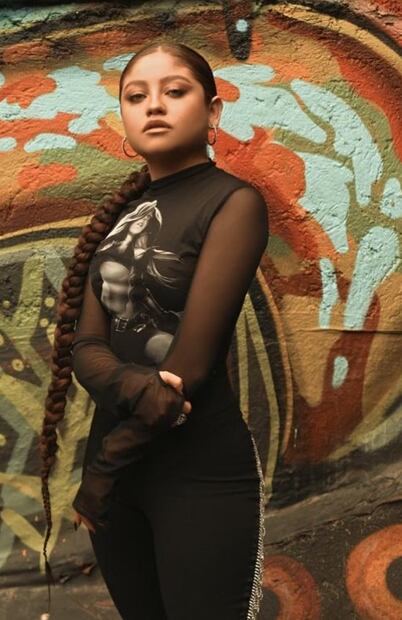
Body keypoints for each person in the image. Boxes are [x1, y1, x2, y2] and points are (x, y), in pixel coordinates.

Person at [39, 40, 269, 620]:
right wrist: (134, 402)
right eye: (136, 96)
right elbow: (86, 347)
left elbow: (188, 369)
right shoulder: (121, 215)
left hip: (200, 475)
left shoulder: (235, 204)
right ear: (123, 118)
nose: (154, 106)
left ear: (212, 112)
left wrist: (103, 471)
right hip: (118, 484)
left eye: (175, 91)